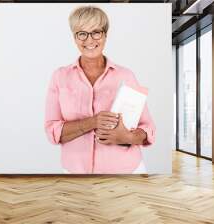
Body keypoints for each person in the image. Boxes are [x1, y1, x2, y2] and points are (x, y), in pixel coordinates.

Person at [44, 5, 155, 174]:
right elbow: (53, 132)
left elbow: (148, 128)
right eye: (82, 33)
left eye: (96, 32)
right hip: (75, 173)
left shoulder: (126, 75)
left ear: (105, 35)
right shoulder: (60, 76)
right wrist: (93, 122)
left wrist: (127, 137)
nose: (89, 40)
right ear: (74, 37)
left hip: (126, 171)